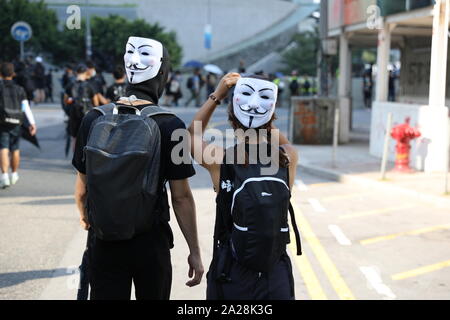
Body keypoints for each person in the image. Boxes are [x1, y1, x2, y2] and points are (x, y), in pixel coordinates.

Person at [72, 36, 203, 300]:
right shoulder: (172, 125)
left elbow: (82, 189)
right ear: (162, 74)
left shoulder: (93, 118)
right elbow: (181, 197)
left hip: (105, 240)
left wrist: (89, 218)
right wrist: (195, 252)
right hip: (150, 242)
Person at [188, 73, 301, 300]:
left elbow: (192, 133)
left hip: (232, 272)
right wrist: (264, 117)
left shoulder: (219, 159)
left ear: (232, 117)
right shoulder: (287, 156)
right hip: (275, 273)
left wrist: (218, 94)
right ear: (270, 114)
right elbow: (284, 141)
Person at [0, 62, 37, 188]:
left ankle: (4, 176)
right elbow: (26, 107)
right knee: (15, 148)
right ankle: (14, 174)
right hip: (16, 121)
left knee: (3, 148)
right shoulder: (20, 89)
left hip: (2, 122)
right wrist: (32, 123)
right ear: (13, 74)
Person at [64, 64, 99, 143]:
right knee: (88, 137)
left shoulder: (70, 85)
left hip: (73, 113)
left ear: (76, 72)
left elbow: (65, 100)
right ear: (86, 72)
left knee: (74, 139)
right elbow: (96, 102)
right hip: (87, 114)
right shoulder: (89, 85)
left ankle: (76, 155)